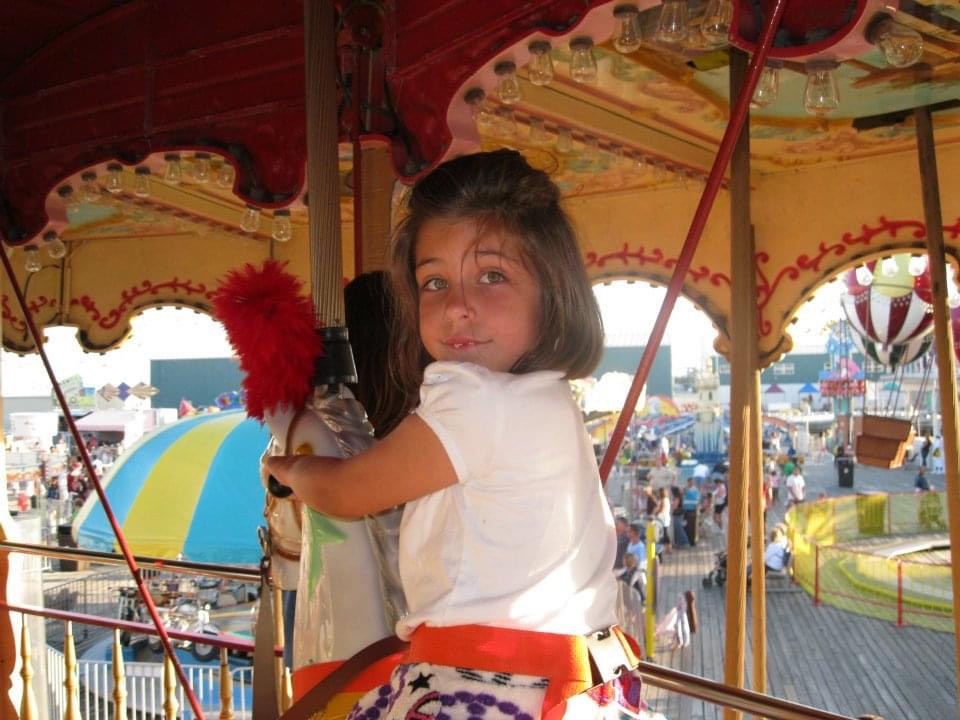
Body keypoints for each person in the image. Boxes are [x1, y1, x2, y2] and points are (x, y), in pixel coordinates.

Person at [267, 150, 641, 719]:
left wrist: (295, 470)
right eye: (435, 282)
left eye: (492, 275)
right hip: (581, 682)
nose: (459, 306)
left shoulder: (470, 395)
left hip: (486, 687)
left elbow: (349, 492)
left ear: (551, 291)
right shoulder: (551, 398)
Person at [682, 476, 700, 546]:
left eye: (691, 482)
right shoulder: (685, 489)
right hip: (686, 510)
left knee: (692, 527)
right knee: (686, 526)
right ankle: (687, 541)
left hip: (692, 510)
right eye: (689, 482)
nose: (690, 483)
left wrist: (687, 492)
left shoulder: (695, 490)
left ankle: (692, 542)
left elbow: (696, 499)